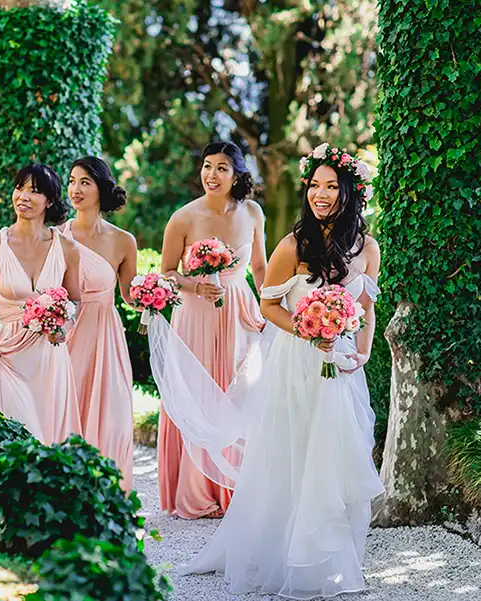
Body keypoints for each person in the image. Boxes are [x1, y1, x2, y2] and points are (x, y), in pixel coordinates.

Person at [167, 144, 383, 598]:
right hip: (298, 362)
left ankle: (328, 560)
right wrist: (308, 331)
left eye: (330, 186)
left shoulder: (368, 248)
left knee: (333, 456)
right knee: (293, 454)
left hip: (342, 365)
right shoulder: (293, 244)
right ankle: (281, 554)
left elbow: (366, 304)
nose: (320, 195)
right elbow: (268, 305)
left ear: (350, 192)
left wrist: (361, 351)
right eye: (314, 186)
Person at [156, 141, 267, 519]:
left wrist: (271, 305)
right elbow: (166, 272)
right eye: (206, 166)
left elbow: (261, 267)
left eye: (221, 168)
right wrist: (195, 285)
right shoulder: (183, 218)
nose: (212, 175)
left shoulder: (252, 212)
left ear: (236, 173)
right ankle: (196, 491)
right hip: (196, 313)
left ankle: (234, 486)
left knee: (239, 392)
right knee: (199, 392)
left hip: (239, 309)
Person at [0, 164, 82, 444]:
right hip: (5, 355)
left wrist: (63, 327)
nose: (23, 196)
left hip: (49, 357)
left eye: (34, 191)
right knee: (13, 438)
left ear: (49, 201)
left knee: (48, 441)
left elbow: (75, 299)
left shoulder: (67, 248)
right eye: (19, 188)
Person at [63, 156, 138, 491]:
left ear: (100, 188)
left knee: (112, 416)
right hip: (66, 335)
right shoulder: (56, 237)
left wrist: (155, 296)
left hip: (106, 336)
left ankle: (108, 492)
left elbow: (129, 295)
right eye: (72, 181)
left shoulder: (124, 241)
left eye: (84, 182)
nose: (75, 189)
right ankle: (66, 488)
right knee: (67, 408)